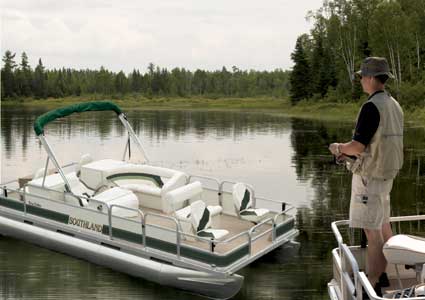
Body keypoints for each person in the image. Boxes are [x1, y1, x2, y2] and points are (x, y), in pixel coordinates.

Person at [329, 57, 404, 296]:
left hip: (369, 180)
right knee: (382, 225)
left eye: (362, 76)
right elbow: (379, 145)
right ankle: (386, 276)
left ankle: (373, 284)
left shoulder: (372, 107)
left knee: (372, 232)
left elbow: (358, 146)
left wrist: (339, 148)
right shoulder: (394, 104)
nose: (361, 80)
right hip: (386, 177)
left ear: (372, 78)